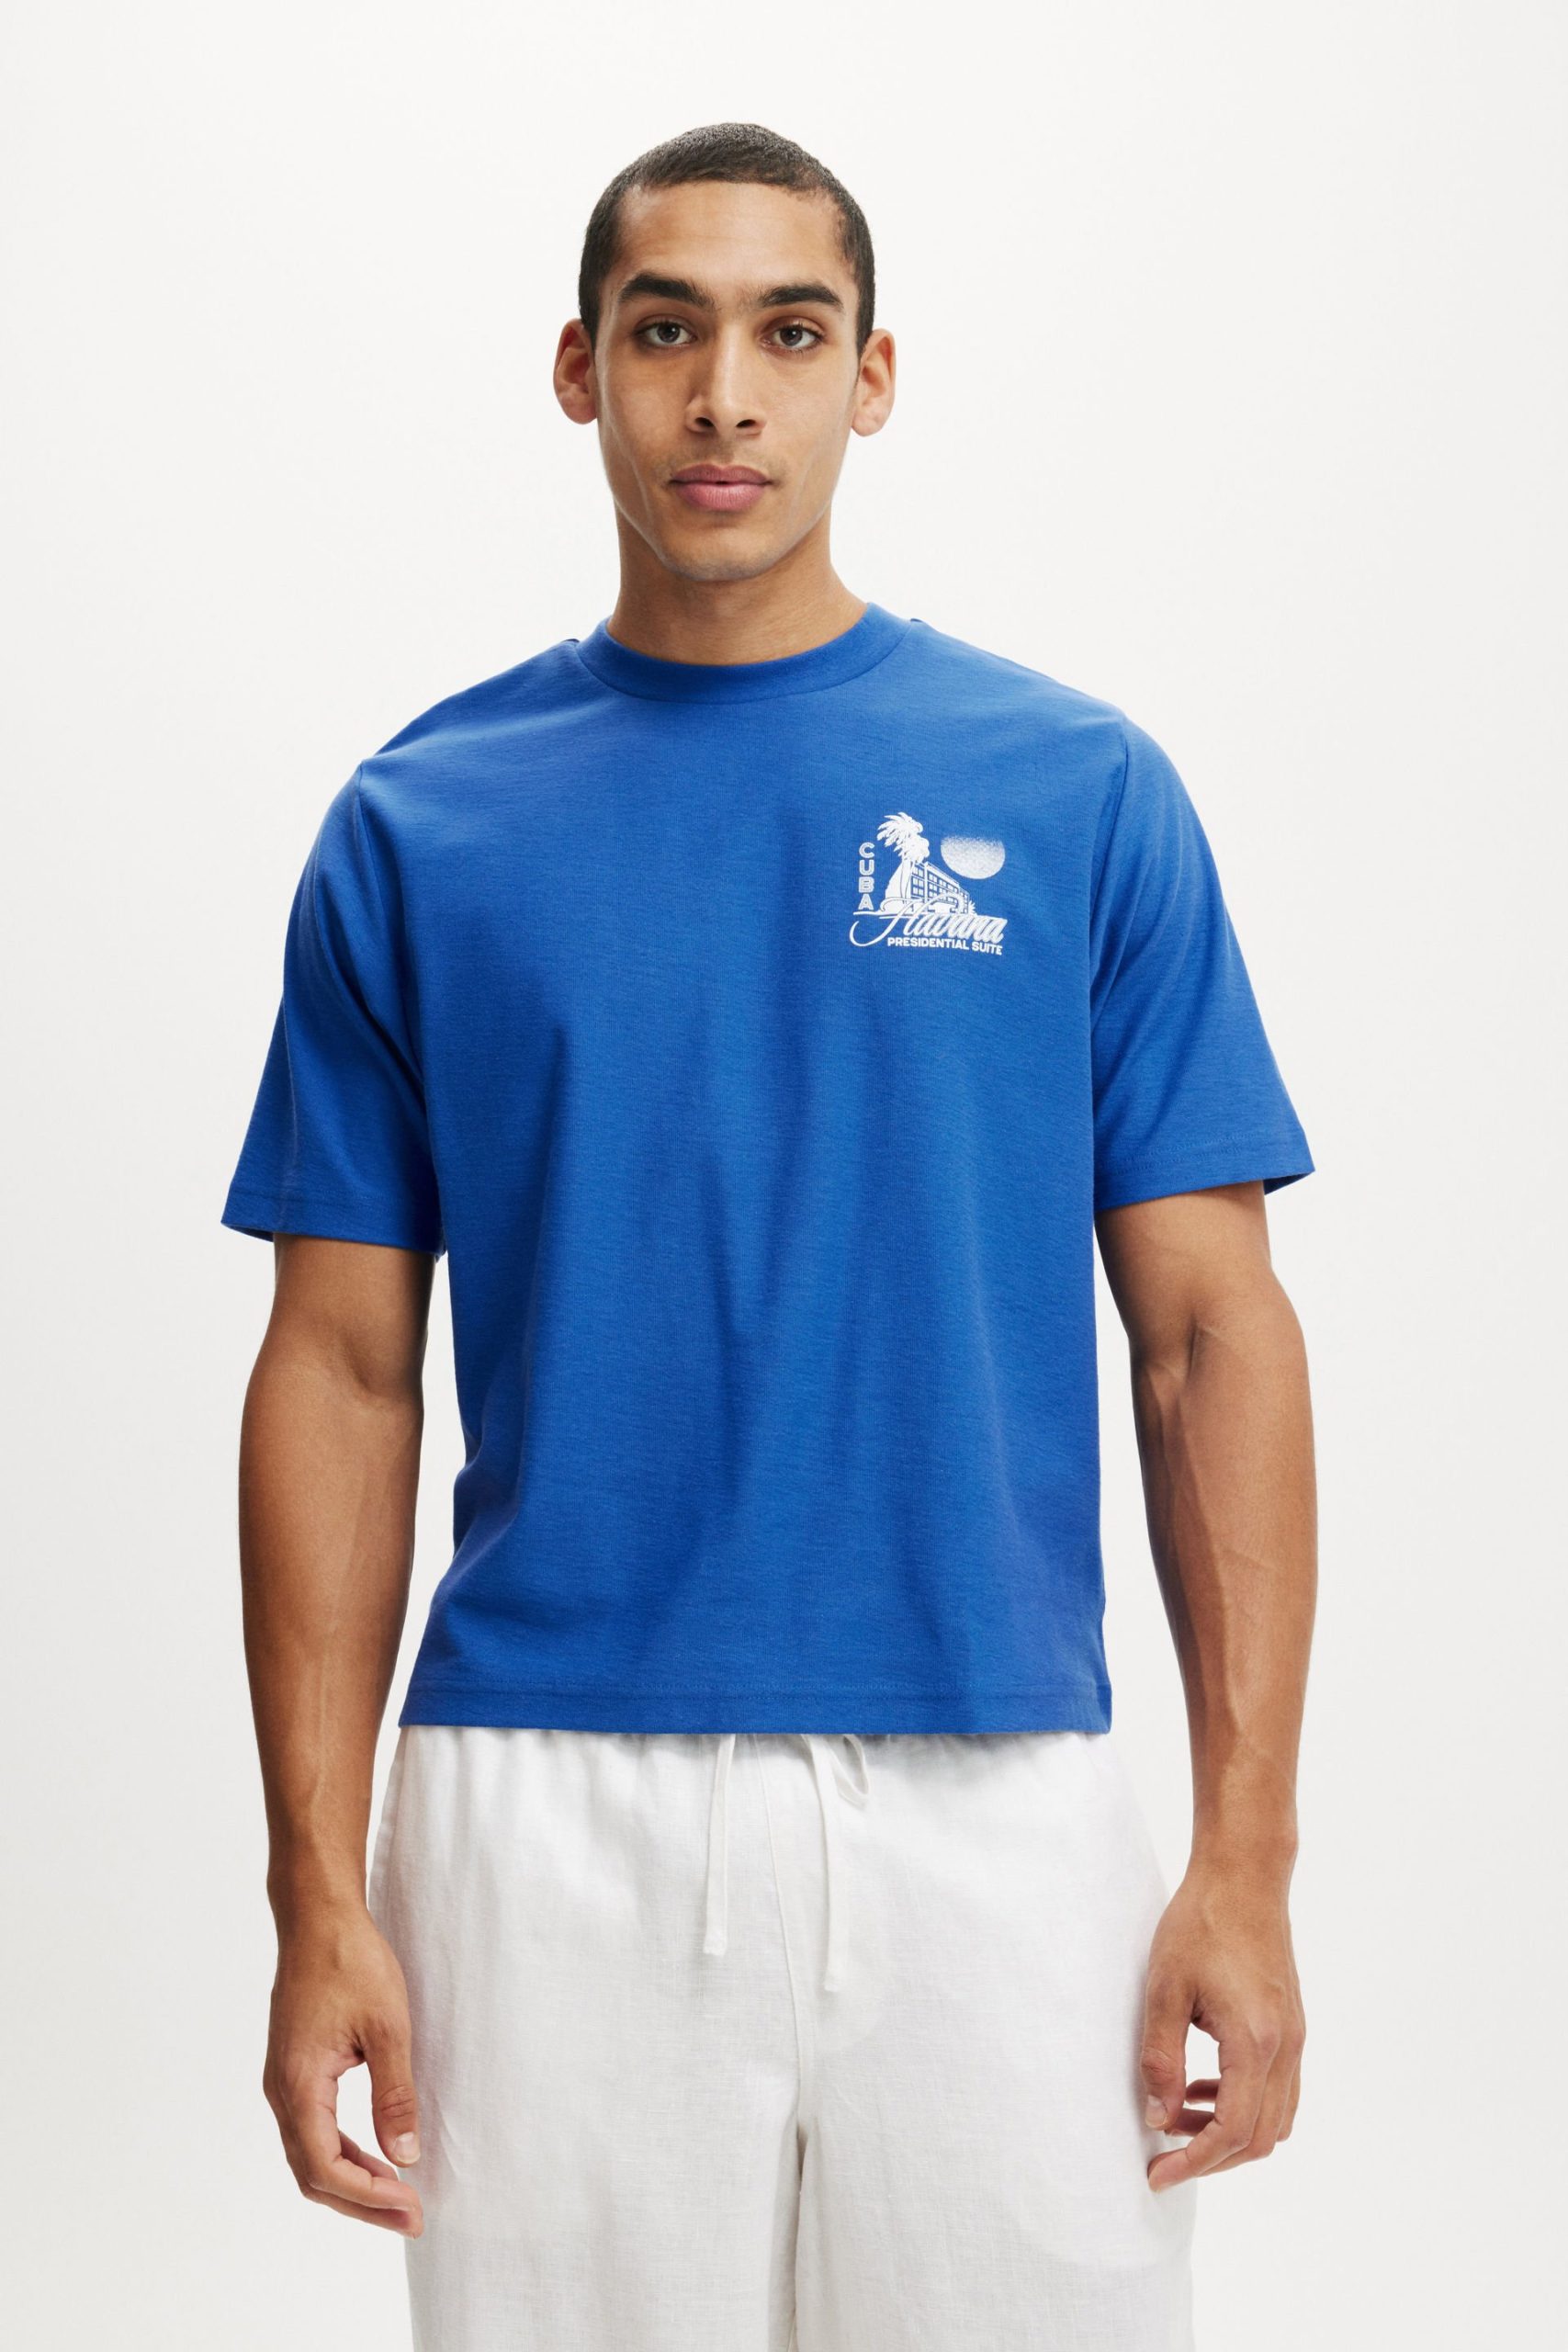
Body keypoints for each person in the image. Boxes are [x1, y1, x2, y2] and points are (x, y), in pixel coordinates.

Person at [223, 120, 1316, 2352]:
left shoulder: (1073, 793)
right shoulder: (418, 824)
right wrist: (315, 1892)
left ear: (870, 376)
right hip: (545, 1801)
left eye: (788, 332)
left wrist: (1245, 1850)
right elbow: (339, 1364)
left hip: (999, 1787)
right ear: (578, 367)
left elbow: (1207, 1335)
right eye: (665, 330)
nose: (723, 394)